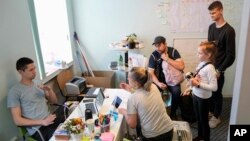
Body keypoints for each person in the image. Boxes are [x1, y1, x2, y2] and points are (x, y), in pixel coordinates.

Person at [7, 57, 65, 141]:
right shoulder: (14, 92)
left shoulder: (38, 83)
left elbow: (54, 101)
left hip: (50, 119)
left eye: (34, 68)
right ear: (20, 72)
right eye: (31, 70)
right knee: (63, 137)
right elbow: (17, 120)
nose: (35, 71)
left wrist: (50, 90)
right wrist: (42, 122)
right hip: (39, 128)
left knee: (73, 122)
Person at [119, 67, 173, 141]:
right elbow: (141, 94)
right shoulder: (153, 86)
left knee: (136, 127)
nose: (128, 80)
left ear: (135, 83)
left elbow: (132, 125)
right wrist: (130, 89)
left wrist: (124, 111)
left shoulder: (132, 98)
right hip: (169, 132)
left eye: (128, 79)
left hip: (153, 138)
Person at [207, 1, 236, 128]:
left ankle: (217, 116)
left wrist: (219, 70)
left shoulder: (229, 31)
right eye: (210, 13)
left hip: (219, 69)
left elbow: (231, 55)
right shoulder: (211, 27)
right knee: (209, 92)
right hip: (209, 66)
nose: (211, 15)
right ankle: (212, 112)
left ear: (221, 11)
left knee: (217, 93)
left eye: (213, 13)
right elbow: (209, 49)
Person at [183, 41, 218, 141]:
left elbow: (214, 87)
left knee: (203, 121)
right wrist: (190, 88)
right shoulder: (201, 64)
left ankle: (206, 138)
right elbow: (197, 79)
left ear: (209, 55)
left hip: (204, 98)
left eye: (199, 53)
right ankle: (200, 136)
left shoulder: (210, 68)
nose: (197, 54)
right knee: (198, 118)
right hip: (196, 95)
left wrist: (197, 84)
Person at [148, 36, 185, 119]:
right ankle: (158, 113)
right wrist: (158, 83)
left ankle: (173, 112)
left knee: (176, 91)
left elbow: (182, 66)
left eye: (159, 45)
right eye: (156, 46)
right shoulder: (154, 55)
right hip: (159, 80)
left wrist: (167, 59)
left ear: (165, 44)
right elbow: (150, 73)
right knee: (152, 91)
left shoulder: (173, 51)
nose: (157, 48)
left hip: (173, 80)